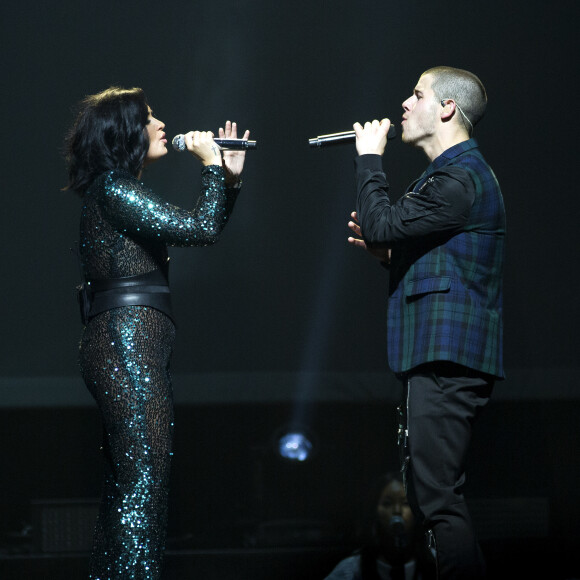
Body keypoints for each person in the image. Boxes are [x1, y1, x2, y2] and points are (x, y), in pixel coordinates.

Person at [64, 86, 249, 579]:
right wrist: (212, 166)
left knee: (130, 487)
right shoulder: (115, 189)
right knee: (143, 486)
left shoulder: (116, 190)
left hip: (126, 343)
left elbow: (198, 227)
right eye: (149, 117)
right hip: (126, 344)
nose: (162, 124)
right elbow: (200, 228)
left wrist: (228, 181)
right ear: (124, 131)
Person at [348, 67, 505, 579]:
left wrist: (370, 156)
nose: (404, 105)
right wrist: (389, 254)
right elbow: (430, 252)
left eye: (417, 94)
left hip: (447, 354)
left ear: (446, 109)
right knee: (430, 493)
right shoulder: (450, 177)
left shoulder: (458, 177)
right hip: (439, 353)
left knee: (436, 499)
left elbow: (379, 222)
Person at [325, 472, 433, 580]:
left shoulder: (436, 561)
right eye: (387, 503)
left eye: (405, 503)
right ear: (375, 510)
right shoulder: (353, 567)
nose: (397, 511)